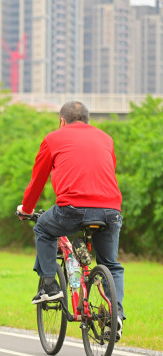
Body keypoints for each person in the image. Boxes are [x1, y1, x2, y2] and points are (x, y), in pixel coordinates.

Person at [17, 101, 125, 340]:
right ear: (88, 120)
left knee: (44, 228)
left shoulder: (53, 138)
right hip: (111, 210)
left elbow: (38, 180)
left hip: (73, 209)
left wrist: (27, 209)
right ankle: (116, 314)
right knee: (111, 264)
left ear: (62, 121)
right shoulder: (106, 139)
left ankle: (49, 285)